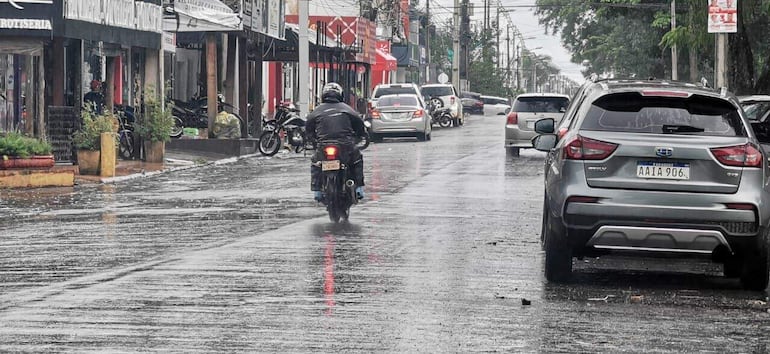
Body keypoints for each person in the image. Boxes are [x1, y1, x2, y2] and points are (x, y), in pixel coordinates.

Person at [305, 82, 367, 202]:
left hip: (323, 145)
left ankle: (317, 189)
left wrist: (313, 140)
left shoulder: (317, 111)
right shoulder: (348, 109)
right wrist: (359, 136)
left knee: (316, 163)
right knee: (357, 160)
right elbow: (360, 125)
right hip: (345, 145)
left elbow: (308, 129)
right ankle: (359, 188)